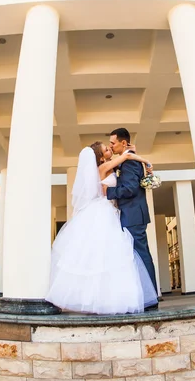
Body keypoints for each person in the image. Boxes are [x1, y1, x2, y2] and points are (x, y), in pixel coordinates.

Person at [45, 142, 158, 314]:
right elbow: (126, 156)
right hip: (103, 211)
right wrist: (145, 160)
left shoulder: (108, 166)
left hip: (110, 210)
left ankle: (108, 298)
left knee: (108, 256)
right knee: (107, 255)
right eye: (106, 149)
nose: (110, 149)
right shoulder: (104, 167)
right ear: (100, 156)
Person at [105, 128, 159, 310]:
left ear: (123, 142)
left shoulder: (130, 163)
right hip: (132, 213)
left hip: (133, 214)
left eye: (113, 143)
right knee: (137, 255)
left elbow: (129, 189)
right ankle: (146, 296)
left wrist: (109, 192)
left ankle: (150, 298)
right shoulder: (127, 160)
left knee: (141, 255)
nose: (111, 146)